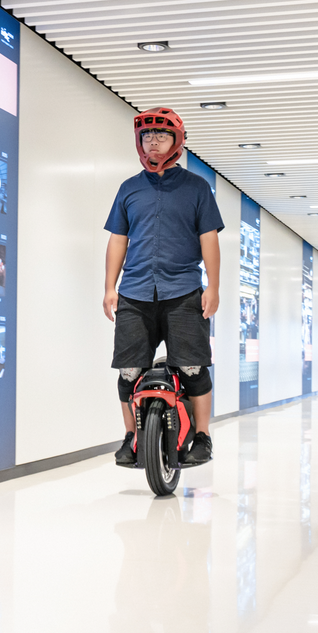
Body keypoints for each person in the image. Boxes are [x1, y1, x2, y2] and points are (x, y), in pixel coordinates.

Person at [103, 107, 224, 467]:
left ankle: (202, 437)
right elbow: (117, 240)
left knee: (192, 368)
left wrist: (212, 287)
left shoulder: (197, 188)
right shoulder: (129, 189)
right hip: (134, 293)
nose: (152, 142)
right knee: (129, 371)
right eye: (147, 136)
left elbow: (209, 240)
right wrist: (110, 287)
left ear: (177, 141)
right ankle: (131, 437)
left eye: (161, 135)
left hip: (183, 291)